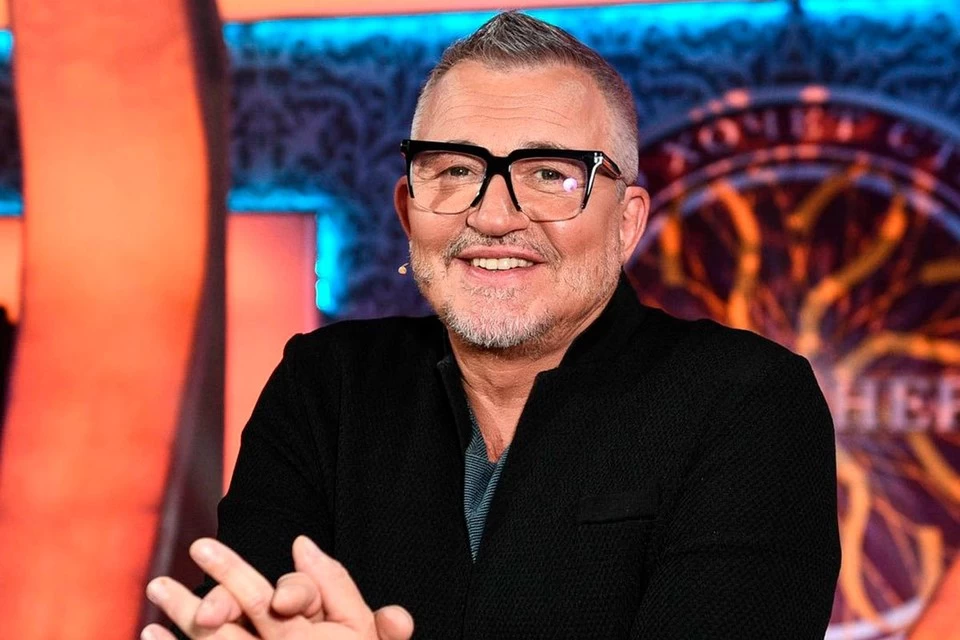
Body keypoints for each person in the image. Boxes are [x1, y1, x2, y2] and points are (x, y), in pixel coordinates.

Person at [143, 11, 841, 640]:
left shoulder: (746, 399)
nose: (494, 215)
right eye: (454, 169)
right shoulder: (327, 385)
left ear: (627, 222)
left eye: (549, 174)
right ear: (408, 210)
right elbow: (246, 612)